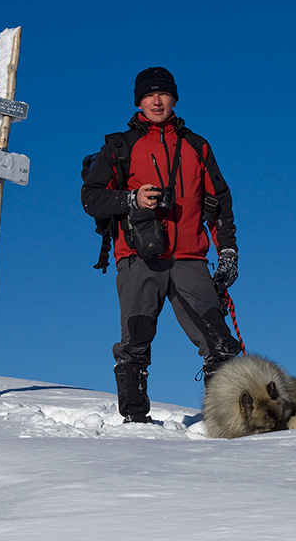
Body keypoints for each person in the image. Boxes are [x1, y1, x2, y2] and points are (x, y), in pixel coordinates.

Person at [82, 66, 241, 423]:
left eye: (164, 94)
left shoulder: (197, 146)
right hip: (139, 257)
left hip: (189, 258)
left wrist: (227, 252)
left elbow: (220, 202)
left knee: (220, 344)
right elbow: (90, 198)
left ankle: (225, 423)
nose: (157, 100)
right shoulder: (120, 146)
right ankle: (135, 422)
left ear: (174, 99)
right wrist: (132, 199)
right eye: (149, 95)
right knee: (135, 343)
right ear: (139, 101)